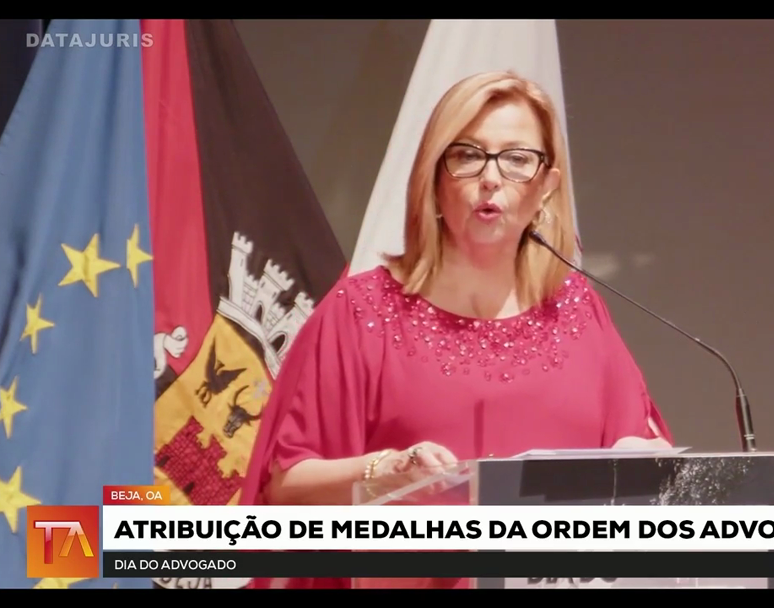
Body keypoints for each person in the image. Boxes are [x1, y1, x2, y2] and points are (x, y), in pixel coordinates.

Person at [238, 70, 673, 589]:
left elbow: (640, 451)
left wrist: (644, 464)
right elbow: (285, 489)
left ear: (546, 187)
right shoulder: (361, 312)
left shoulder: (577, 309)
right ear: (434, 178)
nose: (491, 178)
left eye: (517, 159)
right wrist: (385, 470)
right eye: (468, 155)